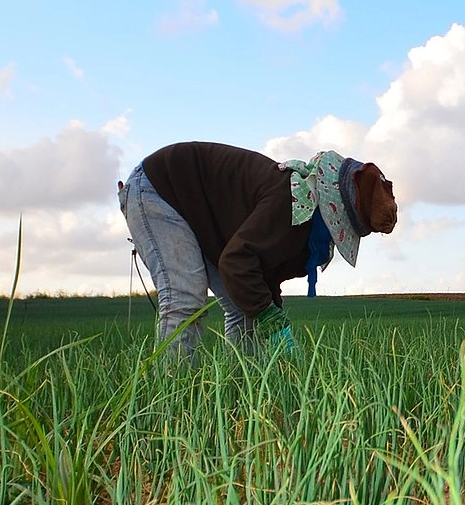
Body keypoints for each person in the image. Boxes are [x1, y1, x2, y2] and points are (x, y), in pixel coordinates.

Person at [118, 142, 397, 357]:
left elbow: (261, 275)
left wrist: (273, 317)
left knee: (246, 307)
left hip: (199, 214)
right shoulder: (289, 204)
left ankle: (241, 396)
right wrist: (269, 315)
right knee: (185, 299)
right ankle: (172, 402)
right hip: (157, 189)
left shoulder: (304, 224)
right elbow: (237, 262)